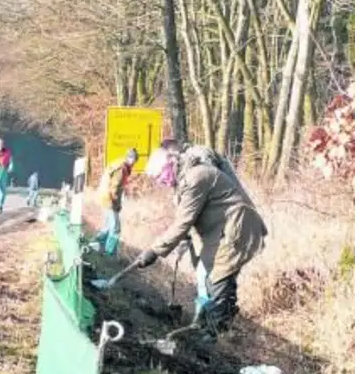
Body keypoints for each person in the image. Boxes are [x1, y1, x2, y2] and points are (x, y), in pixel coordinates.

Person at [130, 143, 268, 337]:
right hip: (220, 230)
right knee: (211, 277)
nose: (161, 181)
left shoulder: (196, 177)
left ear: (171, 163)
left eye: (160, 175)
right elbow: (191, 217)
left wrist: (153, 251)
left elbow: (183, 222)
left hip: (235, 228)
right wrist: (184, 239)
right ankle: (213, 326)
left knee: (220, 277)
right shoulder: (185, 179)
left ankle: (215, 335)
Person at [90, 147, 138, 256]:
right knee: (116, 228)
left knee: (107, 226)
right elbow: (115, 187)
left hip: (103, 196)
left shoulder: (118, 163)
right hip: (109, 199)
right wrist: (116, 204)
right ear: (131, 159)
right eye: (134, 160)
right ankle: (108, 253)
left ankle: (94, 244)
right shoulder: (122, 169)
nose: (134, 163)